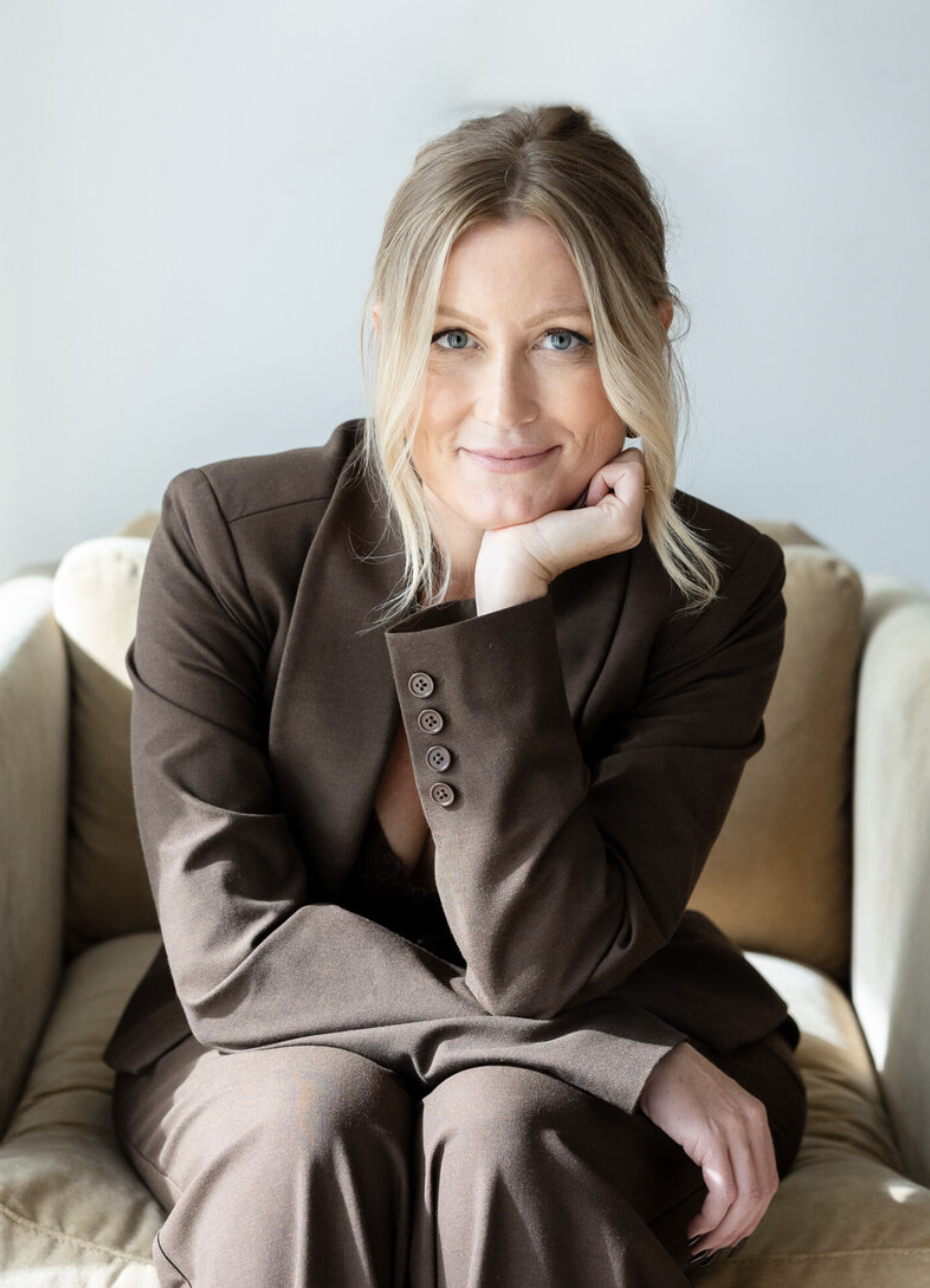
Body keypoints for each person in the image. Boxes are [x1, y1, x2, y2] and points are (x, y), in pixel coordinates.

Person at [105, 103, 806, 1288]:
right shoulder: (225, 538)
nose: (504, 408)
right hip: (272, 1043)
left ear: (650, 329)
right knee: (304, 1122)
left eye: (565, 339)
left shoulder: (717, 592)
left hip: (577, 1031)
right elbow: (231, 950)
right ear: (386, 336)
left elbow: (544, 964)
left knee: (505, 1131)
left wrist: (512, 595)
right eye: (452, 338)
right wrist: (623, 1057)